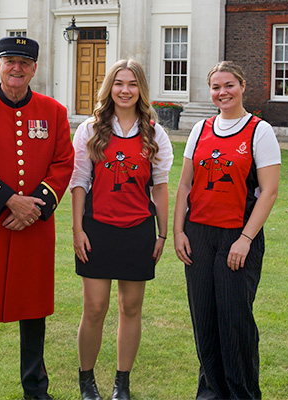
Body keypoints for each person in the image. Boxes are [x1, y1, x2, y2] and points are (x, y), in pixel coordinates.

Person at [0, 37, 74, 400]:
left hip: (34, 226)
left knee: (33, 307)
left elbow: (63, 163)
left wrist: (32, 207)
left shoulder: (54, 112)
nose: (17, 68)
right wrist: (8, 202)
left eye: (24, 62)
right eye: (10, 61)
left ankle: (35, 388)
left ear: (34, 68)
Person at [173, 61, 281, 399]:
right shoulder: (201, 129)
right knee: (203, 319)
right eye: (216, 87)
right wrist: (178, 231)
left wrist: (246, 239)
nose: (223, 92)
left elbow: (270, 191)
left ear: (243, 85)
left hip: (237, 237)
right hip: (199, 236)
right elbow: (184, 185)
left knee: (235, 322)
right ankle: (210, 393)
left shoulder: (259, 131)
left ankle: (242, 393)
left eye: (229, 85)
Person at [70, 59, 173, 400]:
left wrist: (161, 234)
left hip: (138, 231)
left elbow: (159, 187)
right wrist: (77, 230)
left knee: (131, 308)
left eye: (132, 84)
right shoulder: (89, 129)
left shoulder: (155, 133)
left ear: (141, 89)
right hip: (97, 229)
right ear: (109, 88)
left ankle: (121, 384)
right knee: (95, 308)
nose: (125, 90)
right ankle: (87, 382)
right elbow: (79, 183)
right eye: (119, 83)